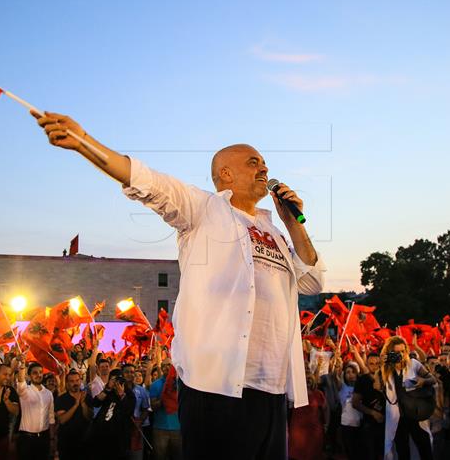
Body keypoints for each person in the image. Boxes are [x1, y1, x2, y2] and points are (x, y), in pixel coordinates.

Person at [35, 112, 325, 459]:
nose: (264, 168)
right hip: (216, 385)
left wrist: (294, 224)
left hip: (273, 386)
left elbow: (311, 280)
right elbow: (147, 182)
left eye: (264, 162)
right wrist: (85, 142)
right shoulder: (204, 210)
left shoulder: (276, 234)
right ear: (225, 174)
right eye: (253, 162)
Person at [381, 336, 435, 460]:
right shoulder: (387, 367)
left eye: (403, 351)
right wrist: (383, 365)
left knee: (424, 445)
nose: (400, 355)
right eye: (396, 352)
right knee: (402, 450)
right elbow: (378, 385)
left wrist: (422, 381)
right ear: (390, 352)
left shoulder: (413, 364)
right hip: (397, 415)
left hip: (414, 412)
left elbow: (432, 379)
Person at [14, 358, 55, 460]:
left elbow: (51, 417)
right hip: (26, 439)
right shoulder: (24, 391)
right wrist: (22, 366)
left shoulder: (48, 393)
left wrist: (52, 438)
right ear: (29, 376)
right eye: (35, 373)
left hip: (44, 438)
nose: (38, 375)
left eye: (40, 372)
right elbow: (21, 382)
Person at [91, 368, 136, 460]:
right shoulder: (108, 392)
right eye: (114, 380)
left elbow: (128, 410)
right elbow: (96, 403)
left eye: (119, 380)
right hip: (102, 434)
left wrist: (121, 395)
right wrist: (108, 388)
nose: (117, 383)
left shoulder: (129, 394)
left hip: (119, 437)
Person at [352, 352, 385, 460]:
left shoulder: (386, 378)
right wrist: (373, 413)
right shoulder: (362, 380)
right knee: (370, 454)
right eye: (371, 364)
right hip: (369, 424)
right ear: (367, 364)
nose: (375, 366)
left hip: (387, 423)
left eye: (377, 364)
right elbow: (355, 403)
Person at [288, 370, 327, 460]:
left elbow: (325, 409)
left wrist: (326, 424)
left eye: (309, 378)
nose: (308, 381)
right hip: (298, 431)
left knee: (312, 454)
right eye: (305, 379)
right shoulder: (295, 393)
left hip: (314, 431)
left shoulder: (318, 394)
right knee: (297, 454)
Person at [55, 370, 92, 460]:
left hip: (84, 442)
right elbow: (62, 420)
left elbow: (89, 417)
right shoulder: (61, 399)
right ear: (67, 383)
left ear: (80, 381)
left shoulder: (87, 397)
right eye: (72, 381)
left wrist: (83, 404)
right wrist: (76, 405)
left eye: (77, 380)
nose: (75, 383)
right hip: (67, 443)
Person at [149, 359, 181, 460]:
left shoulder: (181, 384)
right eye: (164, 365)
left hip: (178, 428)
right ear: (161, 368)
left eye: (169, 365)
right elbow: (153, 406)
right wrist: (165, 397)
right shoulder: (155, 385)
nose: (166, 367)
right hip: (160, 429)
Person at [338, 361, 362, 460]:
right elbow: (335, 374)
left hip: (360, 424)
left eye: (353, 372)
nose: (351, 374)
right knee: (350, 453)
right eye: (348, 372)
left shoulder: (362, 386)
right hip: (346, 425)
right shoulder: (342, 387)